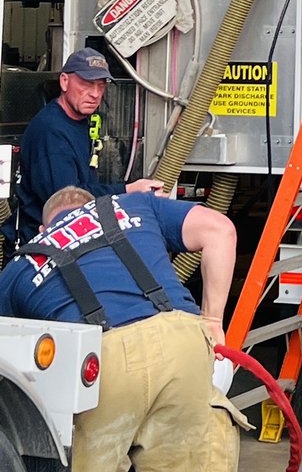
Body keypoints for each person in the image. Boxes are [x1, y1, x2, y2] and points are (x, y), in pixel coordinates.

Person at [0, 184, 247, 471]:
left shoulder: (21, 265)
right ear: (96, 205)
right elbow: (221, 230)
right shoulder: (135, 205)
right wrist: (213, 321)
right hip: (182, 340)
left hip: (103, 359)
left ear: (44, 229)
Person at [1, 48, 164, 254]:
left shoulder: (77, 121)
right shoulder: (51, 131)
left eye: (101, 85)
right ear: (64, 82)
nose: (95, 94)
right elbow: (67, 202)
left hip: (66, 241)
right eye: (86, 84)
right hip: (40, 248)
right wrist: (128, 191)